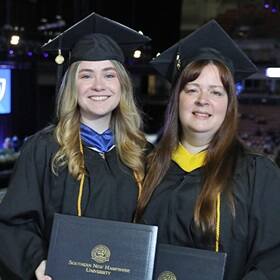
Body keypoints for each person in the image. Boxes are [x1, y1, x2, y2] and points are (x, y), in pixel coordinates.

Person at [0, 12, 151, 280]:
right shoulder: (44, 148)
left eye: (109, 74)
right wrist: (37, 263)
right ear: (72, 85)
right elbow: (14, 222)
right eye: (86, 75)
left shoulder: (141, 154)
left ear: (122, 84)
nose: (98, 86)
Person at [135, 20, 280, 279]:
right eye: (192, 89)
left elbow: (272, 259)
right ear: (176, 98)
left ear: (229, 104)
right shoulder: (146, 167)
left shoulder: (258, 175)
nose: (203, 101)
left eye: (216, 92)